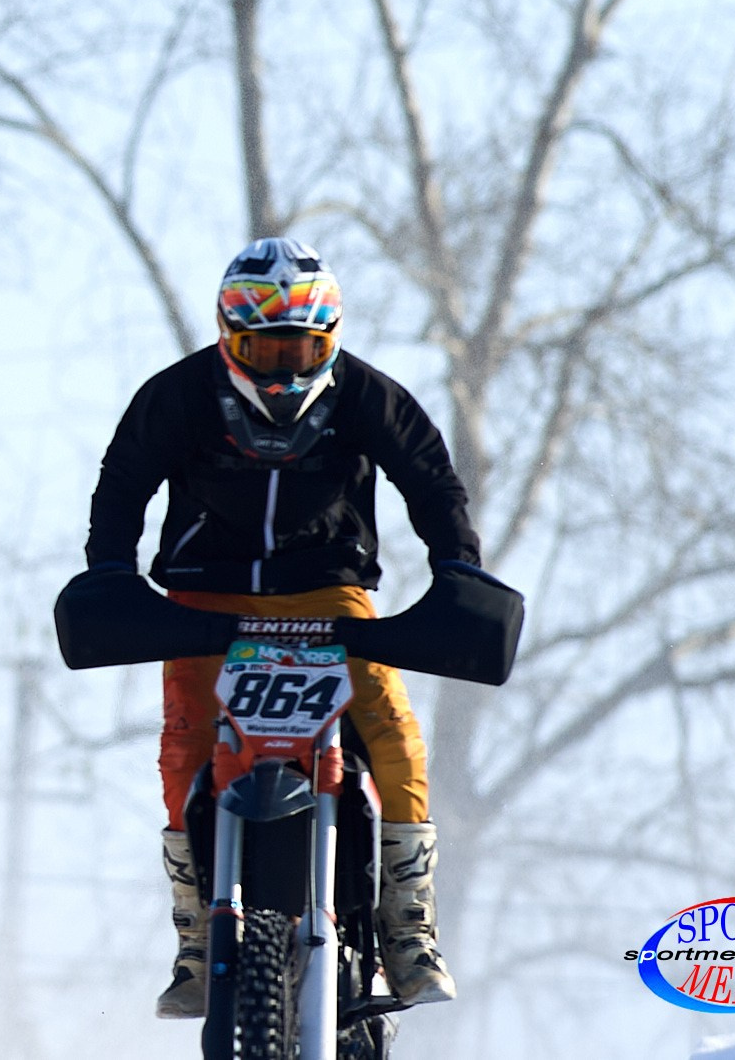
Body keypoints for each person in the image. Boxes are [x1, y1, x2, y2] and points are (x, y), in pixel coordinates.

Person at [83, 236, 480, 1017]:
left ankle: (408, 926)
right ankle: (197, 932)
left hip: (330, 594)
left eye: (299, 346)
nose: (281, 368)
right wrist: (109, 574)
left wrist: (458, 571)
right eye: (261, 346)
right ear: (229, 335)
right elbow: (121, 483)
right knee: (184, 740)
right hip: (204, 603)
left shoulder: (368, 394)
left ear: (327, 339)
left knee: (394, 729)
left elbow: (432, 479)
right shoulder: (180, 393)